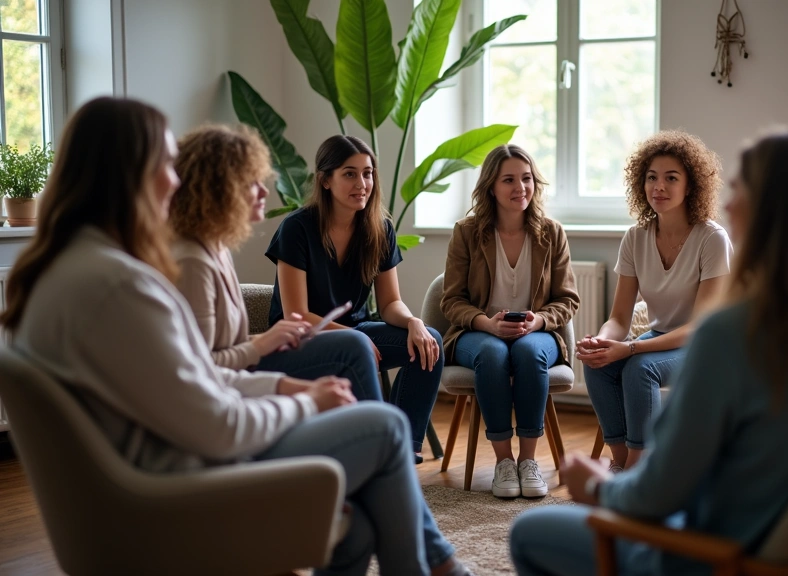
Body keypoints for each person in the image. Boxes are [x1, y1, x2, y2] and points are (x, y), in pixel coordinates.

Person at [1, 97, 469, 576]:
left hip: (155, 468)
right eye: (167, 164)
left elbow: (190, 379)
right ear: (128, 173)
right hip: (175, 486)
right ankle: (439, 562)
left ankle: (431, 549)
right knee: (381, 427)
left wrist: (288, 388)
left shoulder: (71, 270)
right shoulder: (122, 285)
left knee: (362, 525)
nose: (179, 180)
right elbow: (214, 421)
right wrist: (305, 402)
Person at [510, 131, 788, 575]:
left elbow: (656, 497)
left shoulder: (733, 331)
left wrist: (599, 489)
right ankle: (626, 457)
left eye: (740, 191)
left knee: (529, 531)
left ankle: (625, 463)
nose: (730, 205)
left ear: (770, 209)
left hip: (719, 556)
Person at [168, 124, 380, 405]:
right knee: (354, 345)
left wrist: (267, 339)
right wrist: (265, 348)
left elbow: (221, 346)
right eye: (251, 182)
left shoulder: (217, 249)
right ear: (217, 190)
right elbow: (202, 367)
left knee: (362, 346)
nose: (264, 192)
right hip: (226, 402)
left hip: (245, 374)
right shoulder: (193, 263)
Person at [265, 135, 443, 463]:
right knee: (358, 344)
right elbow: (297, 315)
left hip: (354, 335)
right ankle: (374, 446)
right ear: (326, 181)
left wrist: (414, 322)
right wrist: (351, 336)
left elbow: (390, 303)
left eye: (368, 173)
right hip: (298, 341)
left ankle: (403, 446)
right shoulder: (296, 229)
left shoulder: (379, 229)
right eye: (349, 174)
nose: (362, 183)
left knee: (429, 341)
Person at [577, 131, 733, 471]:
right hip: (661, 338)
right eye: (651, 178)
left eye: (671, 178)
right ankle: (620, 464)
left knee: (638, 369)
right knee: (598, 366)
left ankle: (640, 469)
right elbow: (619, 316)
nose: (658, 186)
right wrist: (602, 341)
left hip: (706, 346)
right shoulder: (635, 238)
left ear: (691, 186)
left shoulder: (712, 239)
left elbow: (700, 327)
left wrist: (630, 349)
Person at [441, 144, 580, 499]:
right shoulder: (466, 233)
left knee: (529, 353)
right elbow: (451, 300)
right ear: (491, 186)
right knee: (492, 354)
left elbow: (568, 299)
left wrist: (539, 321)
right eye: (509, 180)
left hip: (535, 333)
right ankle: (504, 462)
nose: (520, 187)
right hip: (479, 334)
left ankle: (528, 461)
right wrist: (485, 323)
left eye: (527, 178)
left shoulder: (552, 233)